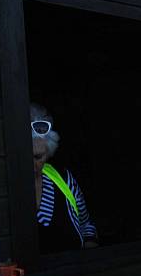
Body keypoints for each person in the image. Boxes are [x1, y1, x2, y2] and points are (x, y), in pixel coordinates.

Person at [30, 103, 98, 253]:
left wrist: (90, 252)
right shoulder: (7, 188)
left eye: (38, 156)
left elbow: (86, 224)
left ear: (48, 153)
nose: (32, 162)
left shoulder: (63, 177)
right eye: (25, 155)